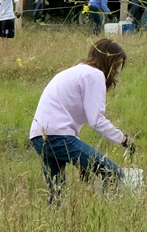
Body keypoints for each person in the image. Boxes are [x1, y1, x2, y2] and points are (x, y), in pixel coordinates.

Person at [28, 39, 134, 204]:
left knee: (57, 197)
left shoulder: (74, 72)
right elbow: (97, 121)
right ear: (108, 60)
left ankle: (56, 223)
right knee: (114, 173)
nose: (118, 70)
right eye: (117, 64)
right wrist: (124, 140)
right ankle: (111, 213)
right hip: (58, 137)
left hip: (39, 137)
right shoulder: (94, 74)